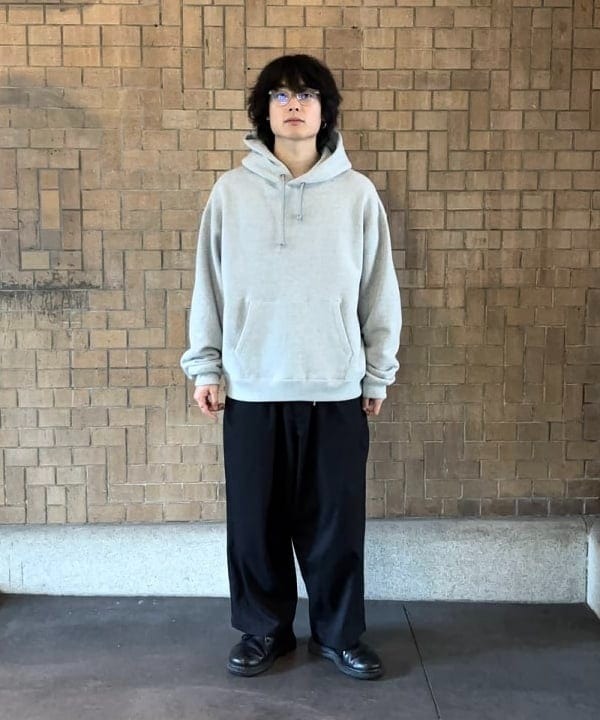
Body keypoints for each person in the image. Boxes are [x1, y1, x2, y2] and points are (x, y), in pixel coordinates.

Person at [180, 54, 402, 681]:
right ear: (265, 111)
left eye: (307, 94)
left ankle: (339, 635)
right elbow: (209, 287)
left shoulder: (357, 195)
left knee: (337, 526)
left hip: (335, 388)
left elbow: (378, 291)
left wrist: (376, 373)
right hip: (252, 387)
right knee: (255, 526)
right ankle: (264, 631)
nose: (294, 104)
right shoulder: (231, 193)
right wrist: (206, 368)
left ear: (325, 111)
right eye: (280, 95)